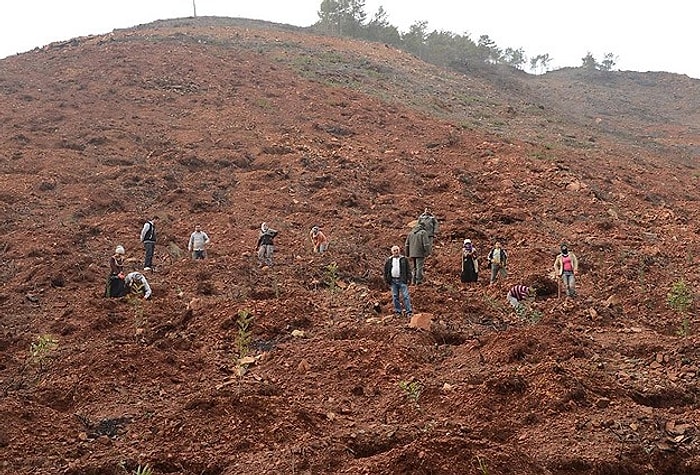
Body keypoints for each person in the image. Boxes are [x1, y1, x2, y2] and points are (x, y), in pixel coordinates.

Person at [383, 245, 413, 317]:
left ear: (399, 250)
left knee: (405, 296)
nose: (396, 252)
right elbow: (386, 270)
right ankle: (398, 312)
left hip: (402, 280)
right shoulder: (389, 260)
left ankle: (409, 312)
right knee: (395, 296)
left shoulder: (404, 259)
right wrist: (387, 280)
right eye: (394, 250)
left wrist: (409, 279)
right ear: (392, 252)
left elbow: (408, 269)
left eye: (397, 250)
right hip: (393, 281)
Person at [405, 219, 432, 285]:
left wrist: (407, 253)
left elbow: (406, 244)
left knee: (414, 267)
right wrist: (427, 253)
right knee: (419, 267)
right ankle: (419, 281)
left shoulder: (410, 233)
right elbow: (426, 244)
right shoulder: (423, 232)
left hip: (412, 253)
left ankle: (413, 281)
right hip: (420, 253)